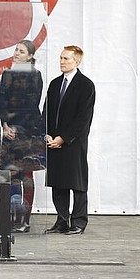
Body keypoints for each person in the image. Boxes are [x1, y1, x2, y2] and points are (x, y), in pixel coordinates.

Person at [45, 45, 95, 235]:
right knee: (58, 183)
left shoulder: (85, 85)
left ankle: (79, 222)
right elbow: (48, 111)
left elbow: (83, 118)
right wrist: (49, 134)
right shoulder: (55, 83)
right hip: (54, 141)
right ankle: (62, 220)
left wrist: (64, 138)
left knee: (77, 182)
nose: (62, 62)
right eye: (61, 58)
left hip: (74, 142)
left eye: (66, 59)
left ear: (77, 61)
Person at [0, 39, 44, 232]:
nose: (17, 53)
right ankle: (12, 217)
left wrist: (17, 128)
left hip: (28, 131)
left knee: (26, 174)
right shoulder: (6, 74)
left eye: (22, 51)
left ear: (30, 56)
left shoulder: (35, 75)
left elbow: (31, 105)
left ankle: (24, 219)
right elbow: (1, 103)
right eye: (16, 50)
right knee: (10, 173)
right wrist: (6, 126)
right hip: (9, 131)